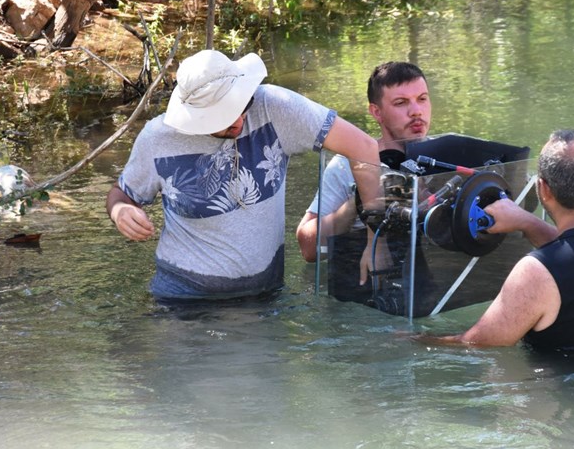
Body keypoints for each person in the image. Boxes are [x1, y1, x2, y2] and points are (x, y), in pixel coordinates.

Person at [106, 49, 381, 302]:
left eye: (242, 105)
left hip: (265, 293)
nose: (238, 119)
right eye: (223, 118)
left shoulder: (275, 107)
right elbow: (122, 195)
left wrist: (376, 240)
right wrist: (120, 211)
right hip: (182, 296)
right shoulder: (158, 138)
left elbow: (363, 148)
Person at [423, 128, 574, 350]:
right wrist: (526, 221)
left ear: (542, 189)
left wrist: (414, 339)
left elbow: (477, 342)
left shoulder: (535, 272)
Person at [295, 61, 431, 263]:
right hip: (364, 278)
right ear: (376, 112)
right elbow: (308, 250)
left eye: (422, 99)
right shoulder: (346, 166)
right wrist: (359, 203)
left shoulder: (449, 157)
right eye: (401, 103)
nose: (416, 111)